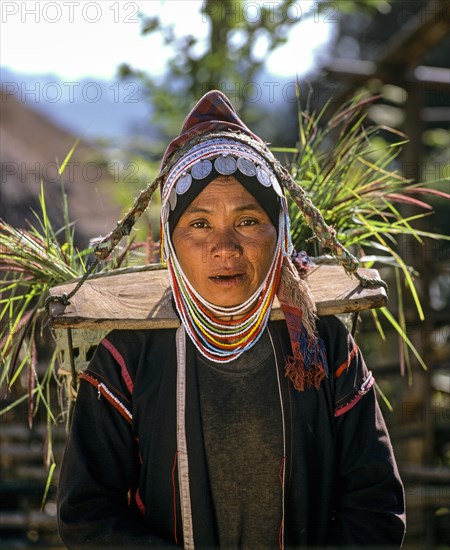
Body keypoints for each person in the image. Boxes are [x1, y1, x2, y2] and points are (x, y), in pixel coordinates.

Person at [57, 90, 406, 549]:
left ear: (277, 232)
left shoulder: (323, 346)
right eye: (199, 225)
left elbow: (375, 504)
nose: (225, 247)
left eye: (247, 221)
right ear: (171, 243)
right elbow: (87, 513)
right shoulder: (128, 357)